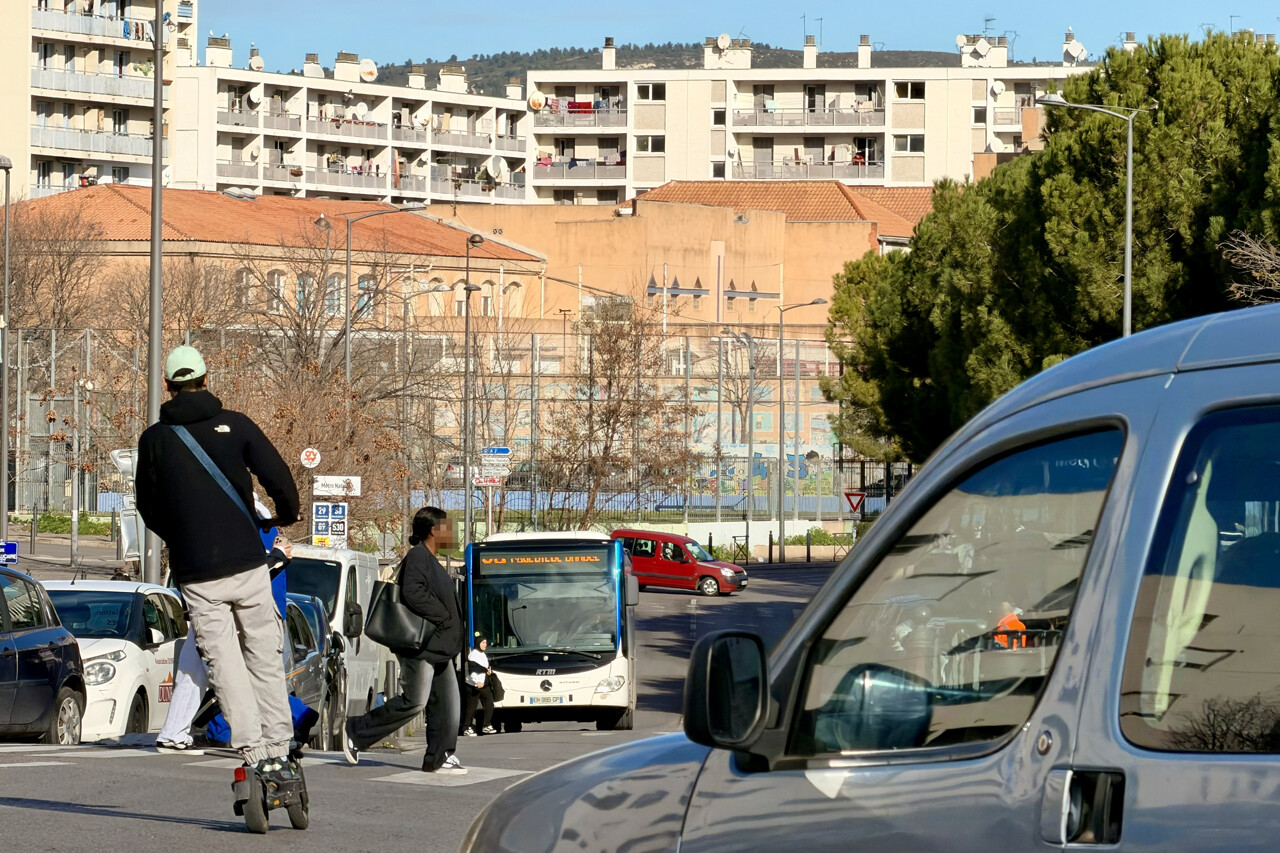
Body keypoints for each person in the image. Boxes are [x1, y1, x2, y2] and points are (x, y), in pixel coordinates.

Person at [135, 345, 301, 782]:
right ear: (206, 379)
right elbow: (278, 477)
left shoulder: (154, 440)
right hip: (247, 563)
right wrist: (285, 514)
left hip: (197, 574)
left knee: (223, 665)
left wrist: (182, 538)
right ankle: (279, 744)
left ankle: (252, 750)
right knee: (263, 655)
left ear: (168, 386)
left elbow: (148, 507)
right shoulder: (237, 424)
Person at [156, 500, 292, 753]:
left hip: (211, 608)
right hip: (238, 612)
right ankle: (259, 741)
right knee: (249, 675)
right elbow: (247, 576)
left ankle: (173, 732)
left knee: (193, 671)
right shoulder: (245, 523)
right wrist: (278, 557)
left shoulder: (207, 520)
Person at [342, 506, 465, 773]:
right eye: (448, 529)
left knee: (448, 706)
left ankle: (440, 756)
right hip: (421, 645)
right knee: (415, 702)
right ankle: (356, 731)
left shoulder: (432, 559)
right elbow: (412, 592)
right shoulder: (418, 556)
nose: (452, 535)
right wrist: (443, 616)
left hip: (439, 646)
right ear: (433, 531)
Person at [462, 637, 497, 737]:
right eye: (483, 642)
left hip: (483, 684)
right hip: (473, 685)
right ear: (478, 643)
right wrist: (476, 681)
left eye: (486, 642)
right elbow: (472, 670)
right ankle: (466, 727)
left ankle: (486, 725)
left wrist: (488, 672)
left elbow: (483, 668)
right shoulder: (473, 655)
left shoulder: (483, 654)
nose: (485, 644)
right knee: (471, 707)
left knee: (489, 703)